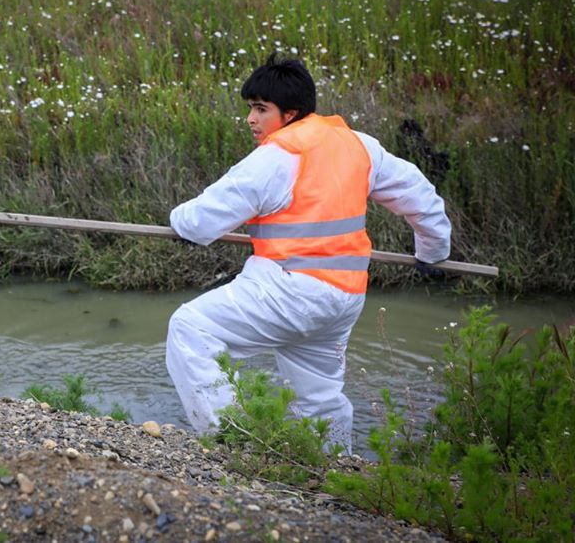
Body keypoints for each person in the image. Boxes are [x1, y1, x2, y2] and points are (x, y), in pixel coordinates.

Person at [166, 53, 451, 453]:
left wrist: (178, 222)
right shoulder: (360, 145)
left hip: (288, 290)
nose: (251, 119)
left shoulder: (276, 157)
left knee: (190, 330)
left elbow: (199, 223)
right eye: (250, 108)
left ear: (290, 114)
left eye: (261, 109)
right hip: (342, 299)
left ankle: (232, 441)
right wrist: (433, 252)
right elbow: (420, 197)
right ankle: (336, 466)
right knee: (320, 399)